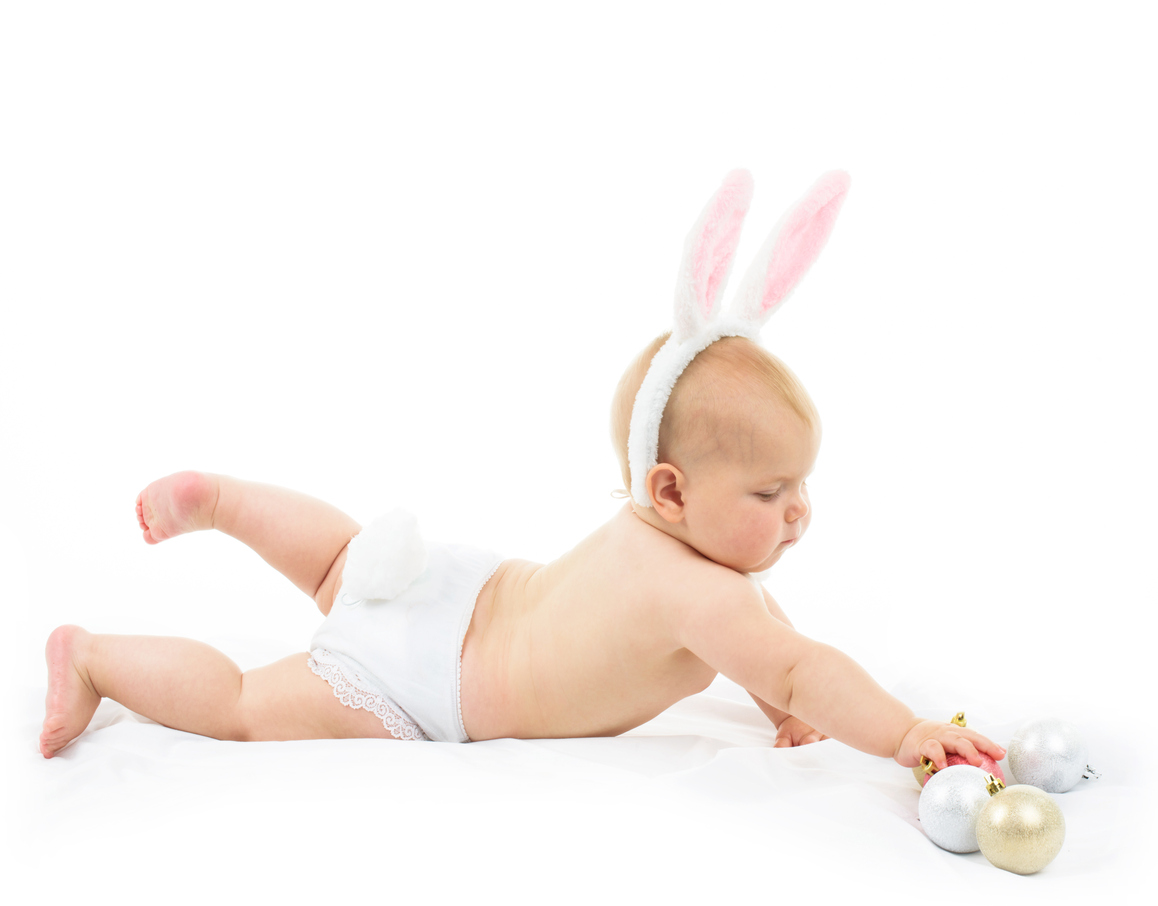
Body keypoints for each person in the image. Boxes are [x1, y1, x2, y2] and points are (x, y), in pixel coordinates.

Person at [39, 169, 1005, 775]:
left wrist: (782, 711)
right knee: (247, 707)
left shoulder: (669, 546)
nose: (799, 514)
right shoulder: (705, 595)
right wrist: (903, 732)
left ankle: (228, 502)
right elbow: (792, 658)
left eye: (799, 486)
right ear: (670, 490)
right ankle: (96, 657)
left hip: (456, 588)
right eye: (769, 493)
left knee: (342, 563)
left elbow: (769, 651)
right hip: (428, 682)